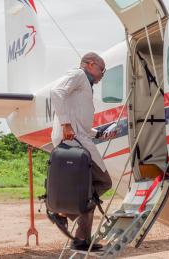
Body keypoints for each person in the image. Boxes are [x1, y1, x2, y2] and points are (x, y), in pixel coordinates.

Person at [49, 52, 116, 251]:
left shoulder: (84, 87)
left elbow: (83, 126)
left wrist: (100, 134)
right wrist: (66, 124)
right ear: (90, 64)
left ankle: (80, 240)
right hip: (72, 140)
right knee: (103, 182)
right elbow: (56, 91)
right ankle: (63, 213)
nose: (102, 75)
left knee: (88, 193)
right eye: (101, 70)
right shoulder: (78, 74)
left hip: (79, 137)